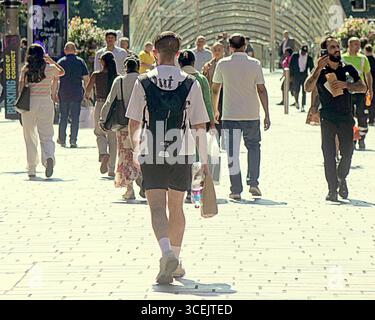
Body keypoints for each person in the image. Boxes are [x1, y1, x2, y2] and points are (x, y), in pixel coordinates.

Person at [127, 31, 209, 284]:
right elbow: (199, 126)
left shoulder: (143, 82)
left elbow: (134, 123)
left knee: (156, 207)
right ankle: (176, 260)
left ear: (154, 53)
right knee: (176, 206)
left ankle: (165, 253)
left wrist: (135, 150)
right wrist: (204, 160)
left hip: (152, 148)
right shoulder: (190, 82)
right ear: (178, 54)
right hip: (182, 149)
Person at [305, 36, 367, 201]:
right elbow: (307, 87)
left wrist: (346, 85)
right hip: (327, 117)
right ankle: (332, 189)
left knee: (347, 152)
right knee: (328, 154)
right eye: (332, 47)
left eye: (337, 46)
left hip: (346, 117)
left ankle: (341, 177)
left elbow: (363, 87)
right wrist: (317, 68)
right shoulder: (321, 72)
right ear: (325, 52)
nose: (337, 50)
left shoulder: (348, 69)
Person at [212, 33, 271, 200]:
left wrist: (215, 110)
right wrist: (267, 113)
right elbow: (261, 89)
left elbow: (216, 89)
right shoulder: (255, 64)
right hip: (251, 114)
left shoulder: (223, 64)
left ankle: (235, 189)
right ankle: (253, 183)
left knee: (232, 153)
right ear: (245, 46)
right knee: (253, 147)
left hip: (230, 115)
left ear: (230, 47)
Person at [100, 56, 144, 200]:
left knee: (125, 156)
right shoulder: (144, 80)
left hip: (124, 126)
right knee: (141, 154)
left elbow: (109, 101)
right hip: (142, 125)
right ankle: (142, 178)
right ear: (138, 67)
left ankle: (129, 189)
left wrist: (103, 119)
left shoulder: (119, 81)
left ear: (125, 67)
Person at [19, 44, 65, 179]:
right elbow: (62, 72)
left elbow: (21, 88)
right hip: (46, 101)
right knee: (47, 135)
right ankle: (49, 157)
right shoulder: (50, 69)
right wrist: (51, 61)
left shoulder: (26, 69)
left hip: (30, 102)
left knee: (29, 136)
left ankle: (32, 168)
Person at [86, 52, 118, 177]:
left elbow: (87, 92)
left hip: (100, 104)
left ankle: (104, 153)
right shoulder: (117, 77)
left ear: (103, 62)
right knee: (113, 138)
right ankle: (111, 169)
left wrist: (88, 98)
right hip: (113, 107)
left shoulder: (96, 75)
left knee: (99, 133)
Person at [342, 37, 373, 150]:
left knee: (362, 115)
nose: (358, 46)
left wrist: (370, 90)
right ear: (349, 45)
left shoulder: (363, 58)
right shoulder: (342, 58)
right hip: (348, 92)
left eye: (359, 44)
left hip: (360, 91)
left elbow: (368, 75)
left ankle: (362, 139)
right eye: (355, 44)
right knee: (349, 115)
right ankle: (352, 138)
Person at [56, 42, 90, 148]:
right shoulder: (80, 62)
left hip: (63, 93)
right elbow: (86, 78)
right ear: (75, 50)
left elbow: (56, 79)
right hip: (76, 93)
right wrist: (88, 93)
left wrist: (54, 93)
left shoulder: (60, 62)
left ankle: (62, 139)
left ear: (65, 50)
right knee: (75, 118)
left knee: (63, 117)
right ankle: (73, 140)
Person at [289, 44, 314, 112]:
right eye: (303, 51)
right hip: (296, 75)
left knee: (304, 91)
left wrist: (312, 77)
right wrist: (290, 76)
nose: (303, 53)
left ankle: (303, 105)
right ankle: (296, 102)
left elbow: (312, 68)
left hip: (304, 75)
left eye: (305, 52)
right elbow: (290, 66)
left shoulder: (309, 58)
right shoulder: (295, 56)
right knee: (296, 90)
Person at [364, 44, 375, 126]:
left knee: (366, 101)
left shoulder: (364, 60)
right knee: (373, 101)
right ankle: (371, 119)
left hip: (366, 83)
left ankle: (365, 118)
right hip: (374, 84)